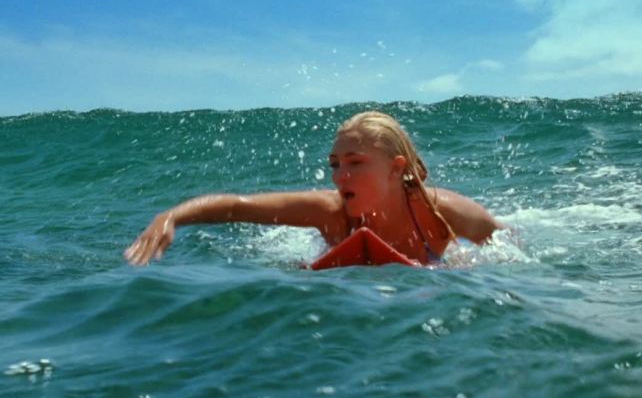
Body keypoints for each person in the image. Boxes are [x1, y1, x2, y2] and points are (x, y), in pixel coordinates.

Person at [124, 111, 503, 266]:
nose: (340, 177)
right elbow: (239, 207)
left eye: (355, 163)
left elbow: (507, 248)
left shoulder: (442, 212)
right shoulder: (330, 212)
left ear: (396, 168)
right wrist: (170, 217)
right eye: (335, 165)